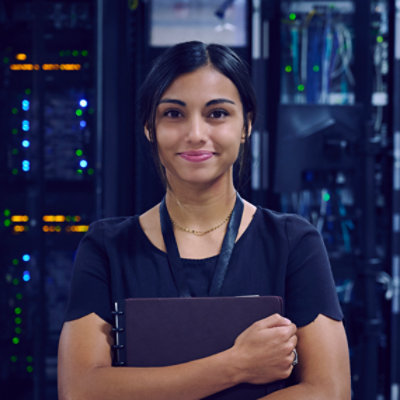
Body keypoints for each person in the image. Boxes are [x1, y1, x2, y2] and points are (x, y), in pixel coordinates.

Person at [58, 41, 351, 400]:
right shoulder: (107, 247)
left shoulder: (293, 243)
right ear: (149, 128)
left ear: (246, 125)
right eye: (174, 114)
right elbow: (81, 391)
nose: (195, 134)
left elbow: (330, 392)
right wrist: (237, 364)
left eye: (217, 114)